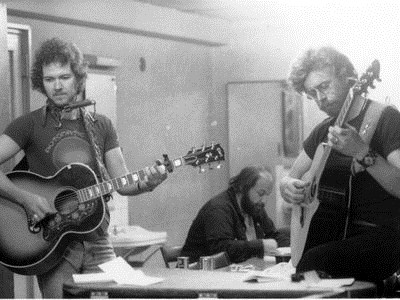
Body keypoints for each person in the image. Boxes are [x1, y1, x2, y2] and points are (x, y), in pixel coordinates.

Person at [0, 37, 167, 298]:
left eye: (64, 77)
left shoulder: (102, 125)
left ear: (78, 77)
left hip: (98, 240)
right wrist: (26, 199)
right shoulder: (28, 125)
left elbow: (122, 182)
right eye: (49, 79)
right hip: (54, 243)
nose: (56, 86)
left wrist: (147, 184)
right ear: (40, 82)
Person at [280, 46, 400, 286]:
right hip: (337, 233)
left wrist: (362, 152)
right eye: (311, 94)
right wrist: (288, 186)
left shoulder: (385, 118)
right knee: (302, 272)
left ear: (349, 78)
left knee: (312, 267)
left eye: (324, 86)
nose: (319, 99)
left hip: (384, 235)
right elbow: (291, 176)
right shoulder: (324, 129)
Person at [181, 165, 290, 264]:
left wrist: (293, 247)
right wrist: (260, 246)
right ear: (243, 188)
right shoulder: (219, 209)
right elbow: (221, 249)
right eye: (261, 193)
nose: (264, 201)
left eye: (267, 195)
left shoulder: (254, 206)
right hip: (199, 274)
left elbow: (273, 235)